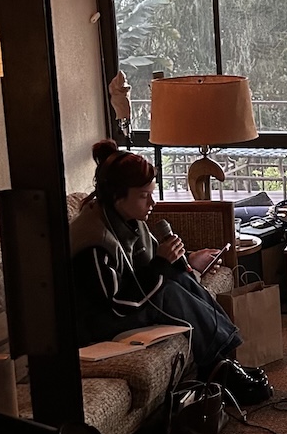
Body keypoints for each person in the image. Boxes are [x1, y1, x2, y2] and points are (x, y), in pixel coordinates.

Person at [69, 139, 273, 405]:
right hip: (96, 324)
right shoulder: (92, 240)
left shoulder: (128, 219)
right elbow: (116, 304)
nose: (152, 202)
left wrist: (182, 260)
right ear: (117, 195)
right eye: (144, 195)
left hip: (124, 305)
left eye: (151, 192)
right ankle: (220, 369)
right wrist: (163, 265)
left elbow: (151, 263)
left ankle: (223, 361)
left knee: (180, 278)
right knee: (171, 292)